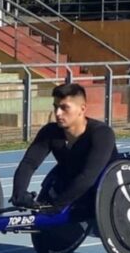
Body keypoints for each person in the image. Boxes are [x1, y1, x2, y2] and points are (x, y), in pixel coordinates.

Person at [10, 83, 118, 215]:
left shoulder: (102, 134)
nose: (58, 113)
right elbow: (29, 163)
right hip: (69, 181)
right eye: (56, 107)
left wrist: (57, 206)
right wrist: (19, 192)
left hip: (104, 190)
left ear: (82, 109)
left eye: (64, 108)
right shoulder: (50, 131)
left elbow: (88, 176)